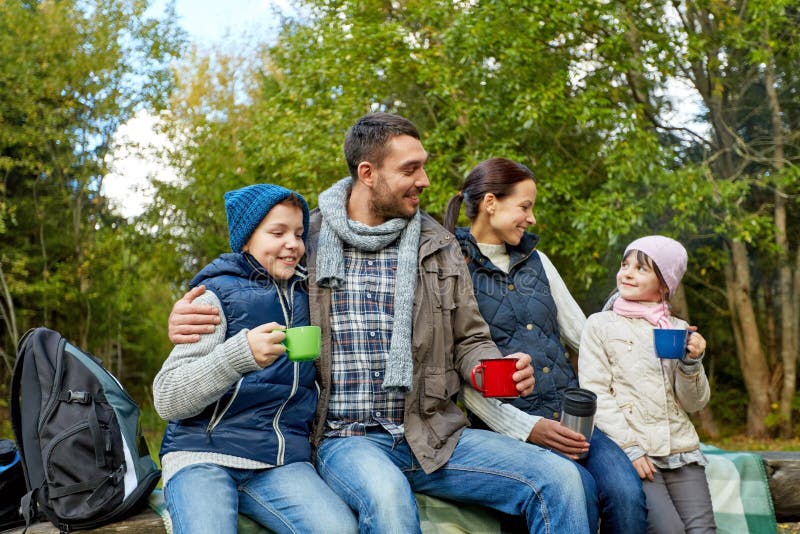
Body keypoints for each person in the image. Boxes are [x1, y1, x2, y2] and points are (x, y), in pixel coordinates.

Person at [168, 113, 595, 533]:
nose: (425, 180)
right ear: (368, 173)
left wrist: (487, 370)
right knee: (388, 499)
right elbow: (249, 279)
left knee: (561, 480)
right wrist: (189, 309)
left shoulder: (440, 246)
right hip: (345, 439)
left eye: (423, 166)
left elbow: (470, 339)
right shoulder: (306, 240)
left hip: (434, 431)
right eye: (410, 169)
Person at [443, 157, 646, 534]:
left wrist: (641, 329)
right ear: (491, 203)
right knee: (579, 492)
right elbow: (460, 373)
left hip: (572, 416)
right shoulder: (450, 267)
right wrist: (527, 428)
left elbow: (585, 337)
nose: (531, 218)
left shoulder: (539, 261)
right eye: (525, 206)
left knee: (626, 494)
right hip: (508, 430)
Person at [153, 184, 357, 534]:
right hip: (204, 455)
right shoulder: (213, 298)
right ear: (246, 239)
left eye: (298, 233)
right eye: (276, 232)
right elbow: (167, 398)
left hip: (281, 462)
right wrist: (238, 356)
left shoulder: (312, 295)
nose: (292, 243)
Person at [578, 235, 715, 533]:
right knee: (670, 531)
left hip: (681, 449)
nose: (626, 273)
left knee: (703, 530)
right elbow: (595, 393)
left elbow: (694, 403)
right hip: (636, 449)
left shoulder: (678, 329)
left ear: (664, 283)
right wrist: (630, 449)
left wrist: (692, 362)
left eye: (641, 268)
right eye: (625, 264)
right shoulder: (600, 325)